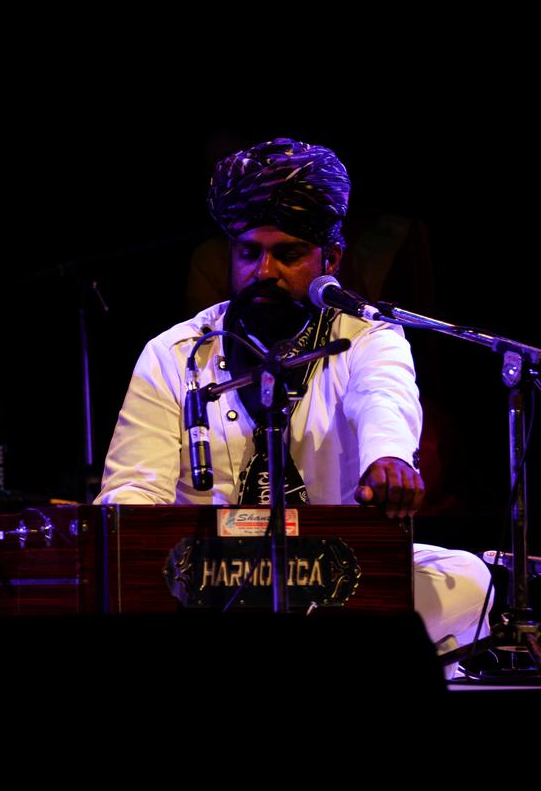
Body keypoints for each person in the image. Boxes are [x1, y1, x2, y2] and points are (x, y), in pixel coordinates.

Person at [97, 138, 490, 657]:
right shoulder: (173, 354)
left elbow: (382, 398)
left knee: (469, 580)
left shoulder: (367, 338)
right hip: (208, 579)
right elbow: (129, 493)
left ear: (332, 258)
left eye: (287, 254)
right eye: (248, 253)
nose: (264, 272)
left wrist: (388, 458)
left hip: (331, 573)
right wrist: (138, 558)